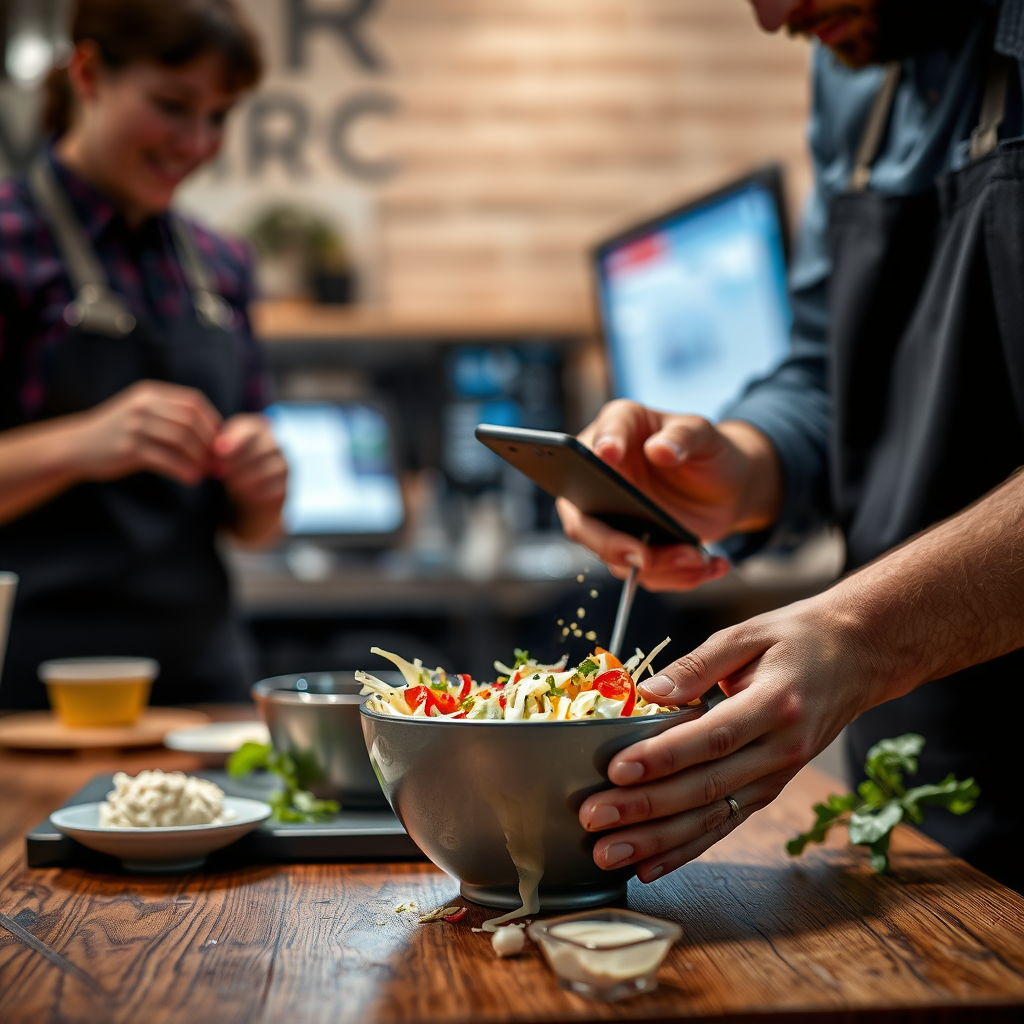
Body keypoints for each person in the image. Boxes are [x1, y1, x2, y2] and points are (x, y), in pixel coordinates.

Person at [559, 0, 1024, 894]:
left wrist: (863, 634)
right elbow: (822, 372)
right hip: (927, 775)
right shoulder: (852, 67)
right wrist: (736, 467)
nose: (772, 16)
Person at [0, 0, 287, 709]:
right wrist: (82, 444)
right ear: (90, 73)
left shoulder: (221, 265)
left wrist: (261, 485)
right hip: (33, 700)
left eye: (219, 116)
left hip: (202, 690)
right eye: (172, 104)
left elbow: (253, 531)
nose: (196, 141)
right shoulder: (9, 246)